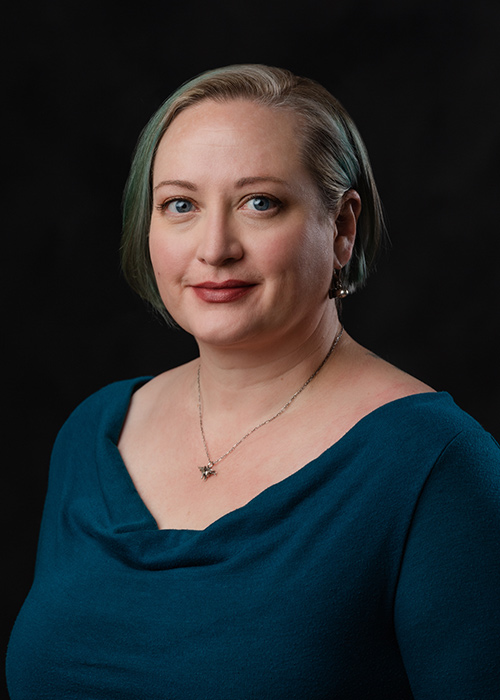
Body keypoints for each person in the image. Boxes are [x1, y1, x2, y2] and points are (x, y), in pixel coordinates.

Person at [6, 64, 500, 699]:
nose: (215, 247)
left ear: (343, 227)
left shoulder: (439, 468)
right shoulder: (94, 431)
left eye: (259, 203)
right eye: (180, 205)